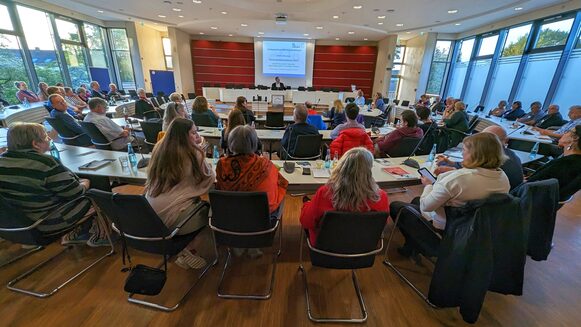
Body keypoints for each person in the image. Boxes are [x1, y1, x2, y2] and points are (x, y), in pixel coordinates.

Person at [391, 132, 510, 258]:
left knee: (397, 207)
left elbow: (426, 206)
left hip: (449, 230)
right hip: (478, 231)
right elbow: (474, 181)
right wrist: (455, 171)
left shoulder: (457, 179)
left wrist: (428, 184)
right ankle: (412, 245)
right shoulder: (503, 178)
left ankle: (421, 246)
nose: (462, 154)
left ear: (475, 155)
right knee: (416, 200)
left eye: (464, 150)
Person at [0, 123, 106, 245]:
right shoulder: (46, 163)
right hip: (47, 222)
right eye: (46, 137)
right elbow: (76, 193)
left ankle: (81, 231)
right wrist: (85, 182)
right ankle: (101, 235)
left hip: (15, 225)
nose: (50, 139)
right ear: (35, 144)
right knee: (99, 192)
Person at [145, 118, 214, 269]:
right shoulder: (193, 154)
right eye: (194, 133)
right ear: (183, 135)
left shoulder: (158, 148)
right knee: (211, 212)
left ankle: (183, 249)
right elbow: (208, 179)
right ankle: (188, 249)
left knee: (192, 201)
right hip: (172, 214)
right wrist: (201, 152)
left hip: (149, 212)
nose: (197, 136)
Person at [300, 147, 389, 245]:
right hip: (363, 248)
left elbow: (306, 221)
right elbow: (381, 225)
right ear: (369, 170)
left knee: (308, 209)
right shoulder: (381, 197)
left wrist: (307, 205)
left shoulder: (325, 193)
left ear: (341, 166)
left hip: (326, 248)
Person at [435, 126, 523, 190]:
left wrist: (451, 169)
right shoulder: (511, 155)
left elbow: (473, 173)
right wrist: (452, 163)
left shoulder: (492, 157)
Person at [527, 126, 581, 201]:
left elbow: (529, 185)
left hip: (527, 201)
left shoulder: (564, 164)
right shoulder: (576, 163)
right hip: (542, 205)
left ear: (574, 138)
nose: (564, 134)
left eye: (567, 131)